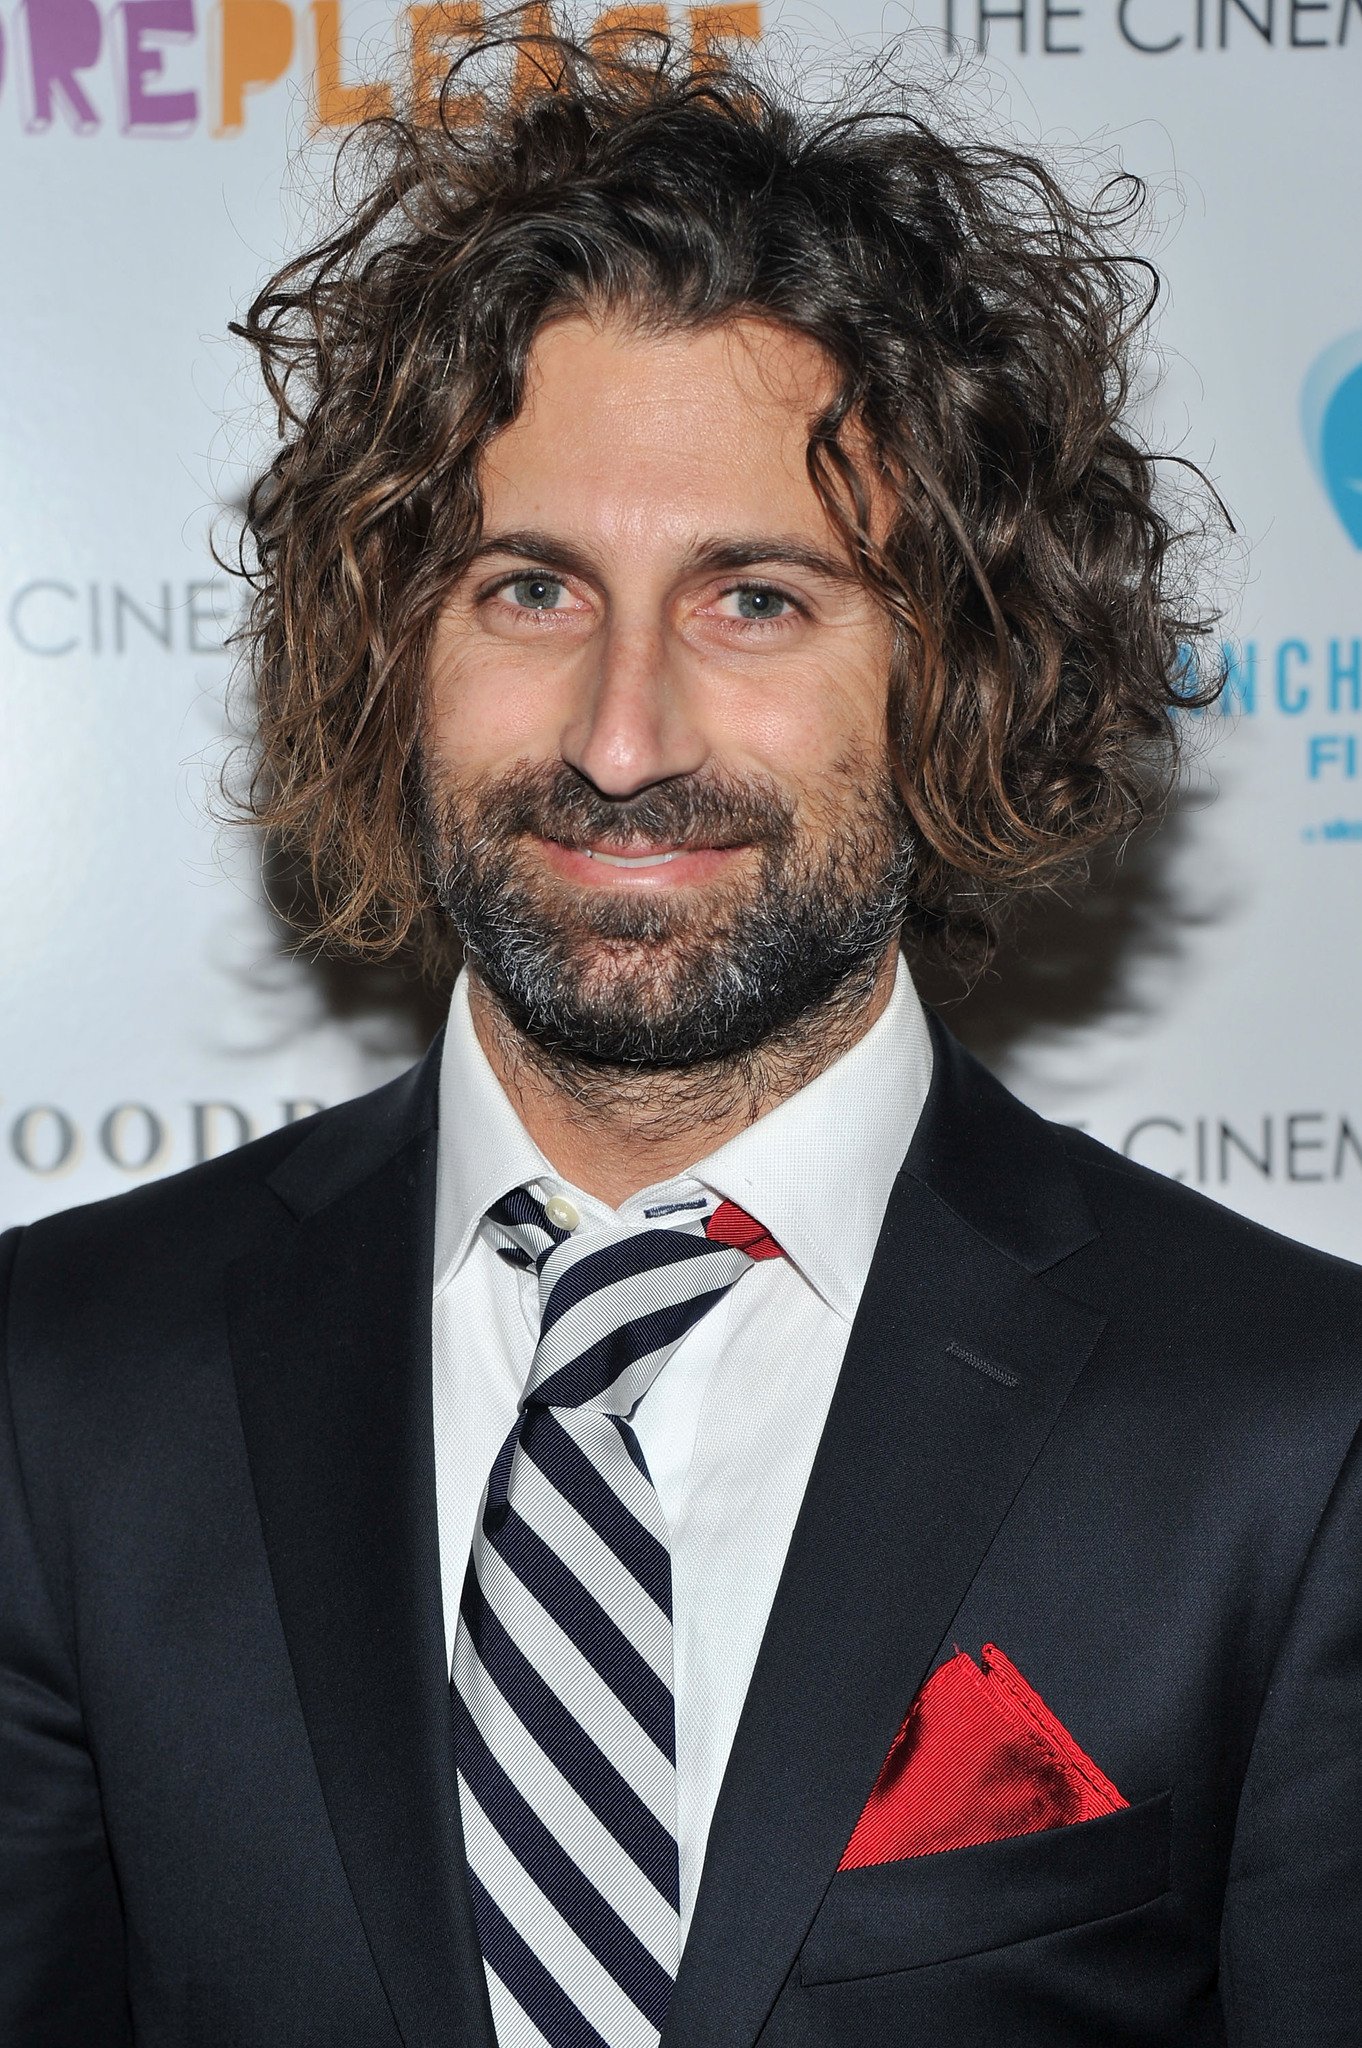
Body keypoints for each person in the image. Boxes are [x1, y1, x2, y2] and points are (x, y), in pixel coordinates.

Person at [2, 14, 1359, 2047]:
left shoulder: (1290, 1434)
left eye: (757, 600)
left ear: (960, 666)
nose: (621, 738)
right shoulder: (58, 1399)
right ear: (392, 648)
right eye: (530, 589)